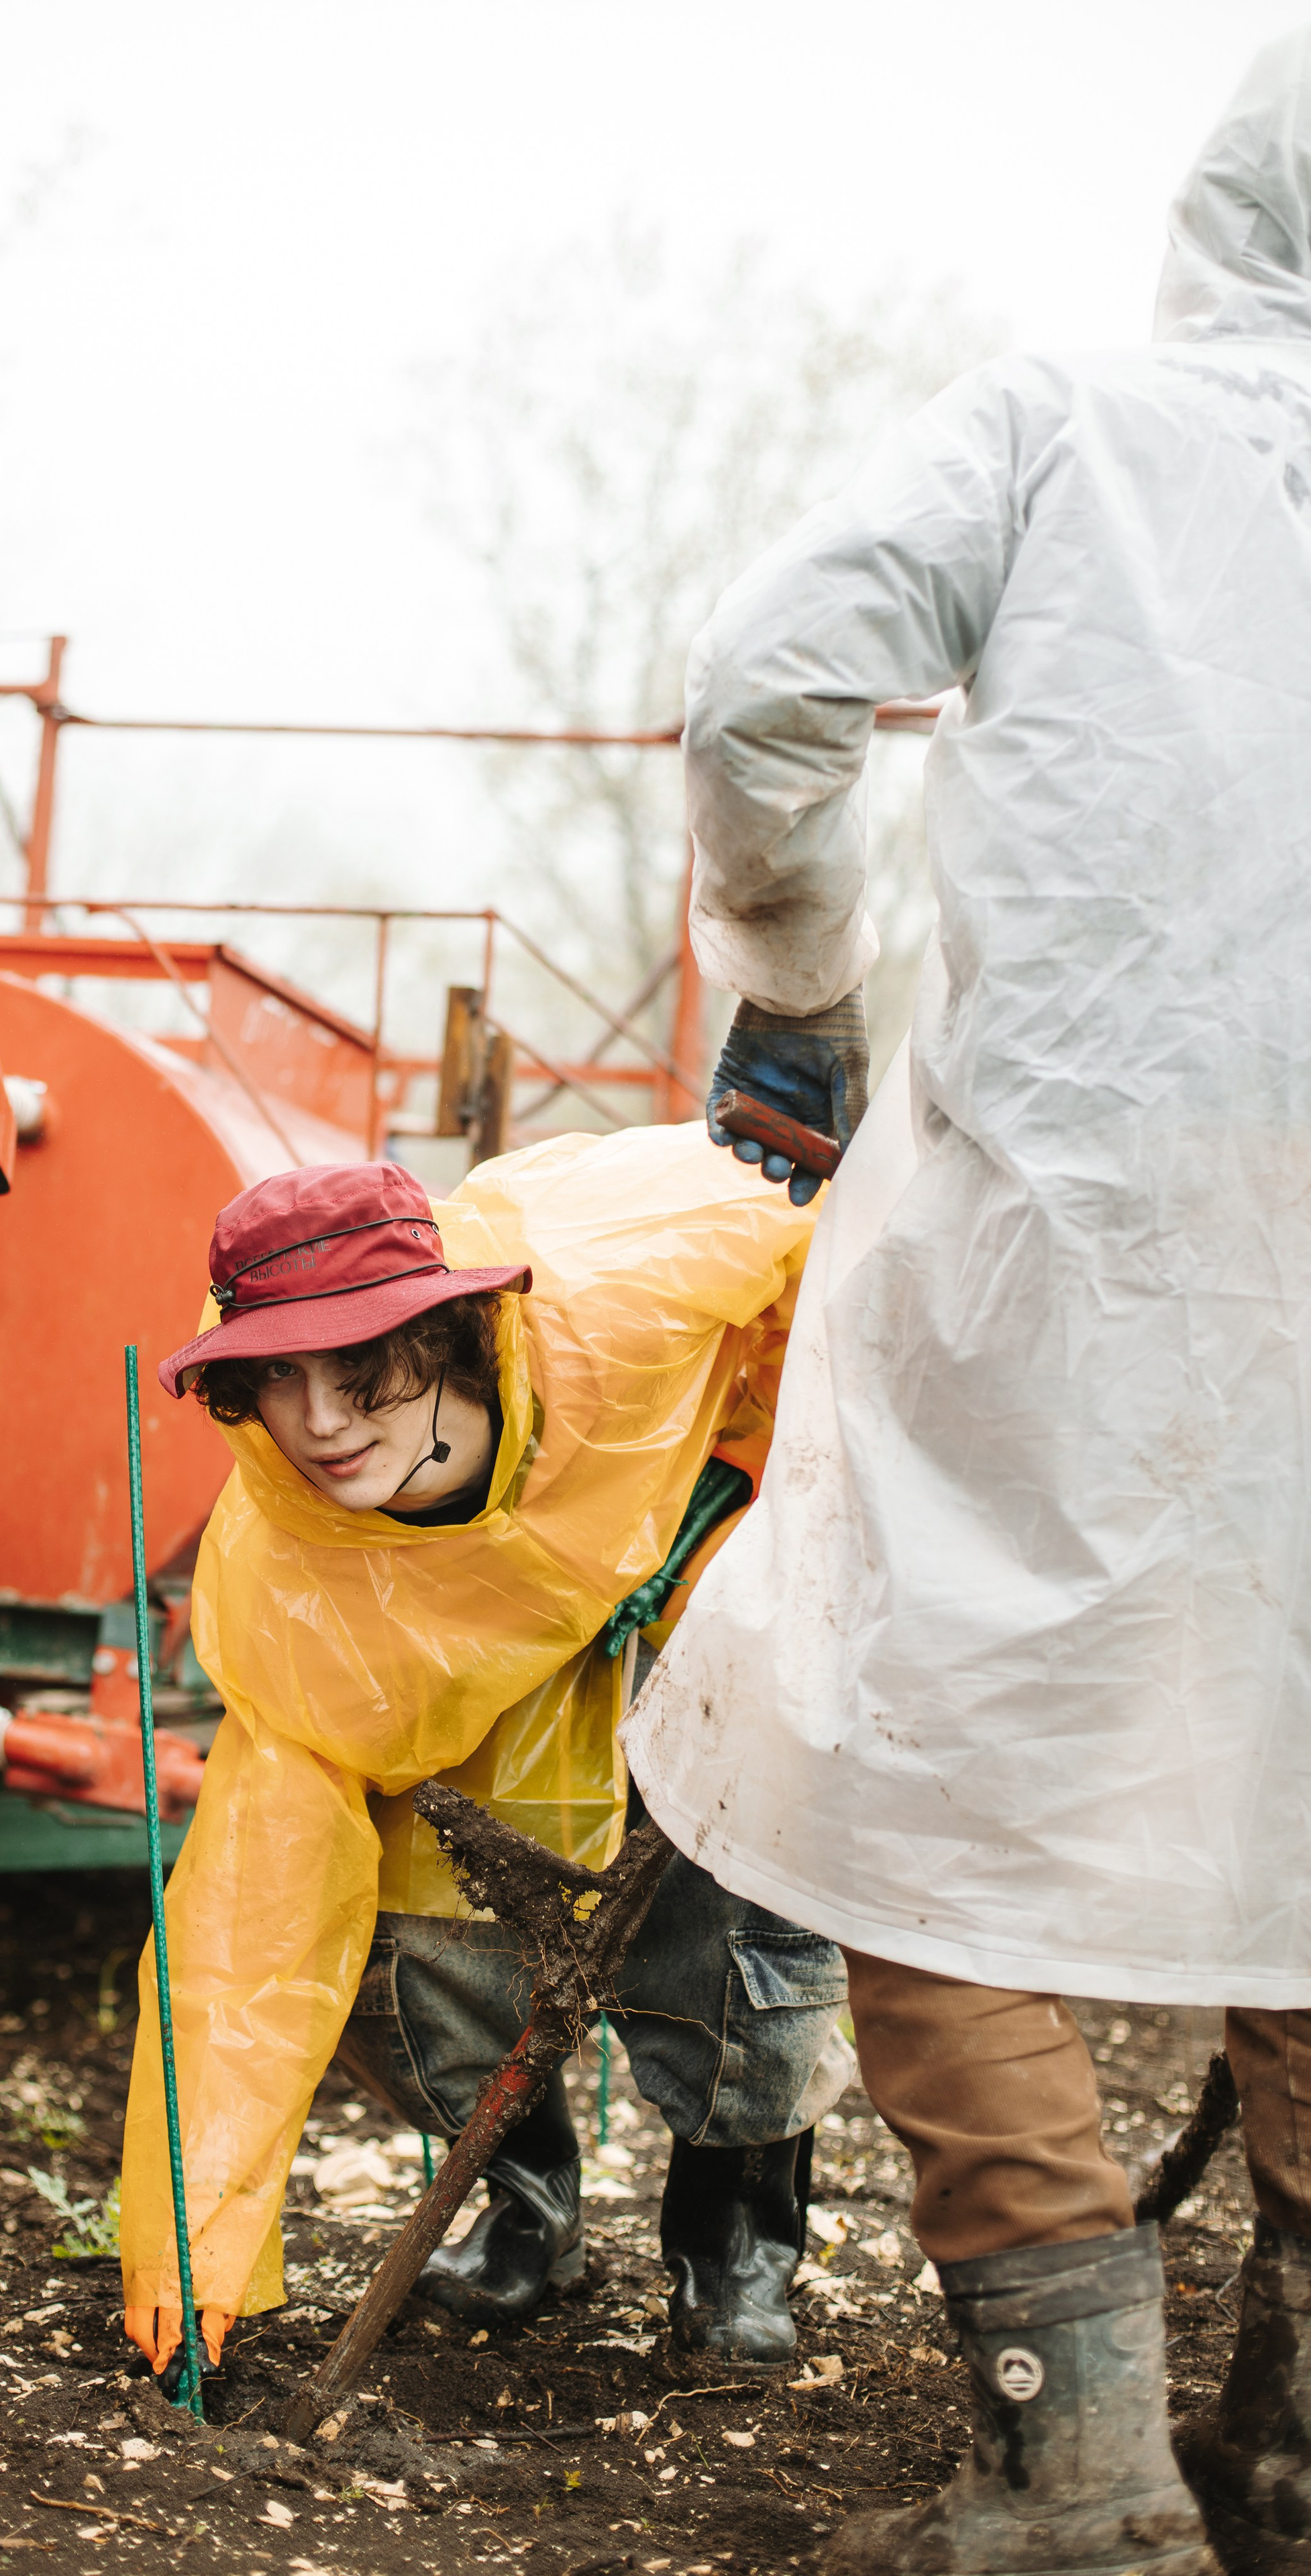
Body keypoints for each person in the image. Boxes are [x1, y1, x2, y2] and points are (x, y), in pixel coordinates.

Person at [623, 31, 1311, 2576]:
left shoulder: (1067, 430)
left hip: (1074, 1226)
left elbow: (769, 680)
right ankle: (1298, 2429)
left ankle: (1076, 2463)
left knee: (896, 1745)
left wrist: (799, 977)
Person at [118, 1131, 853, 2388]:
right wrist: (193, 2262)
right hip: (484, 1704)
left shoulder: (627, 1295)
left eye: (359, 1362)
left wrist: (743, 1480)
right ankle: (528, 2201)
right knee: (405, 1944)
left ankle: (736, 2238)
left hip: (686, 1614)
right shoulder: (292, 1576)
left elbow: (835, 1249)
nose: (322, 1420)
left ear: (452, 1330)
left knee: (738, 1914)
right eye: (276, 1376)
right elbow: (250, 1928)